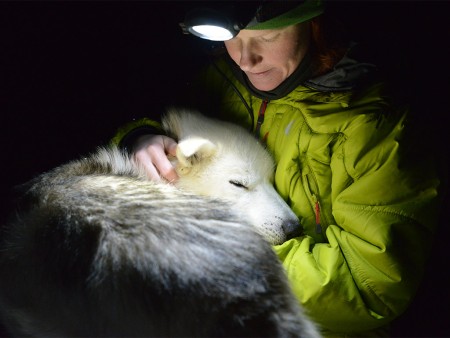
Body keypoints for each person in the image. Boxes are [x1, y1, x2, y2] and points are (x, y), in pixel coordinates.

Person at [112, 1, 441, 336]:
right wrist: (138, 138)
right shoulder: (225, 83)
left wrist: (214, 260)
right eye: (233, 36)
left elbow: (369, 285)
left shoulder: (376, 130)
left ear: (315, 26)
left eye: (267, 37)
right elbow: (176, 137)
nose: (245, 58)